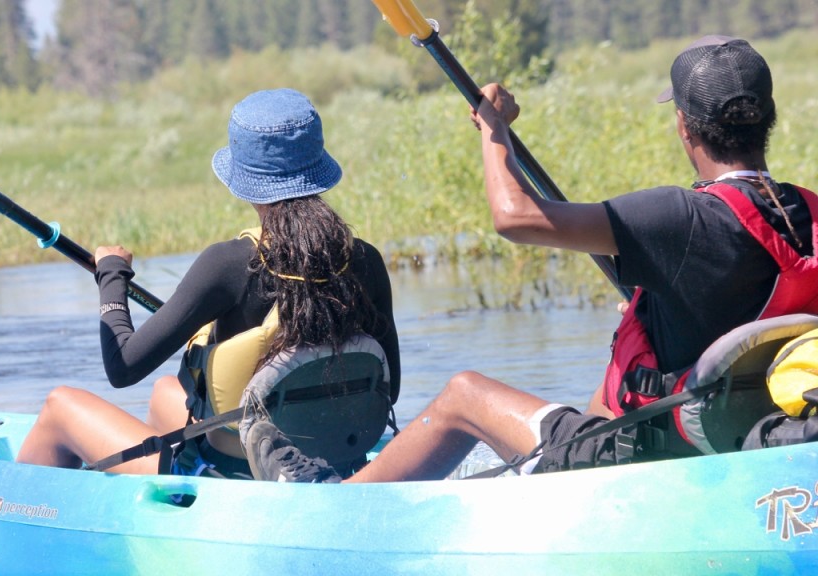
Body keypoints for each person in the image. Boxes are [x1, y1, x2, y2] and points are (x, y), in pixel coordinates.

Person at [245, 35, 818, 482]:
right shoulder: (808, 213)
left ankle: (342, 502)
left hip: (656, 455)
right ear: (767, 117)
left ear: (684, 126)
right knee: (626, 353)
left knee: (465, 394)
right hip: (740, 432)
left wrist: (494, 131)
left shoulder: (678, 218)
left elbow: (514, 216)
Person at [16, 88, 400, 478]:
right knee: (166, 391)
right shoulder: (364, 259)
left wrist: (111, 274)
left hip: (233, 473)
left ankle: (6, 505)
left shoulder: (228, 264)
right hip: (341, 459)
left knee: (59, 405)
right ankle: (164, 501)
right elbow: (391, 388)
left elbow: (123, 366)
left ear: (245, 181)